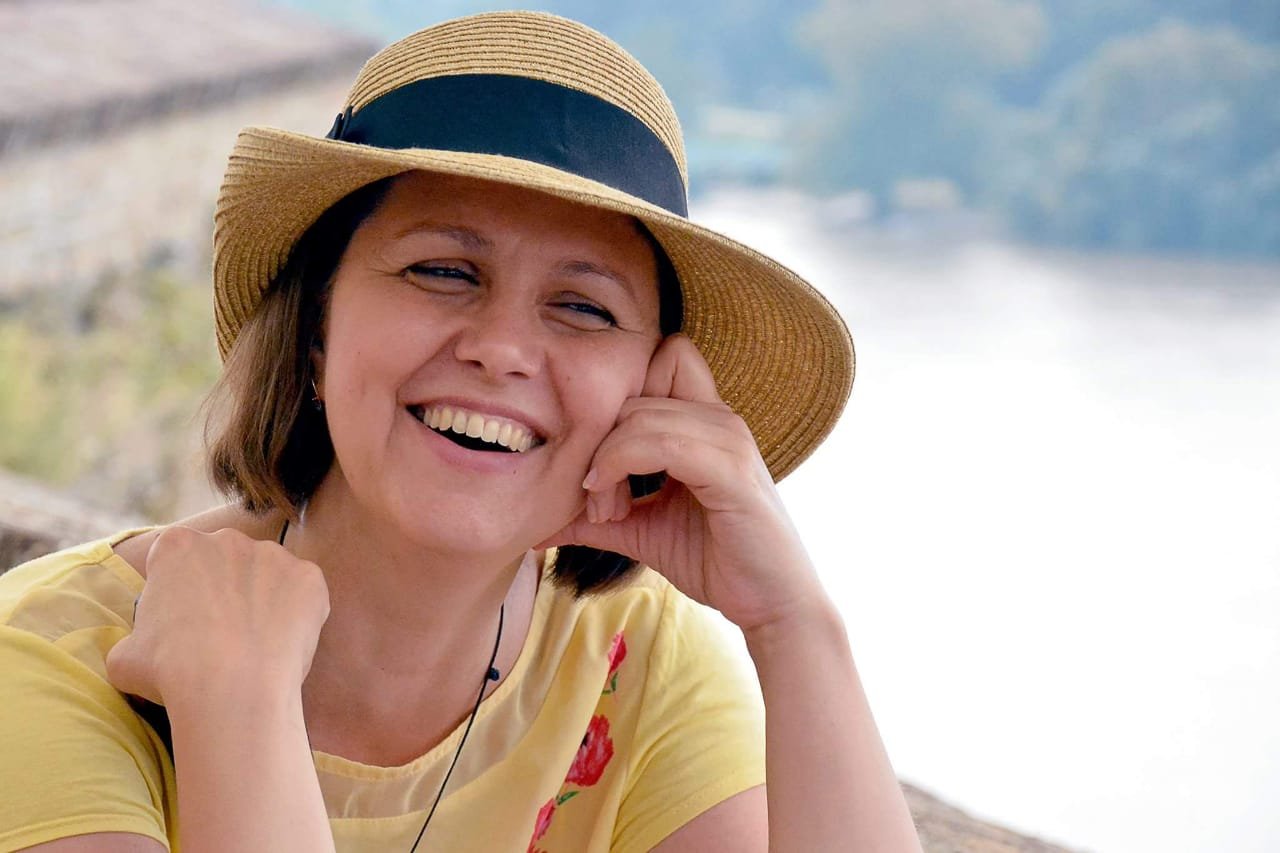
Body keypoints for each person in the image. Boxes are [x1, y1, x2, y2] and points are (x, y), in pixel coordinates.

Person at [0, 11, 921, 853]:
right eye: (443, 270)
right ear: (317, 326)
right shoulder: (48, 660)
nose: (502, 349)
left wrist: (791, 623)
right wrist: (238, 704)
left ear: (648, 389)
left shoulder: (635, 663)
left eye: (583, 307)